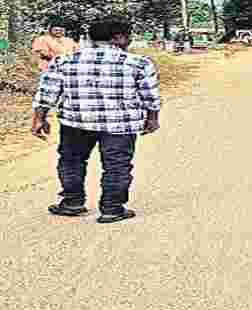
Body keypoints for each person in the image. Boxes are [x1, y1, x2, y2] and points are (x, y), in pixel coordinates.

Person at [31, 18, 161, 223]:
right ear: (119, 38)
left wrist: (39, 119)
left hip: (76, 123)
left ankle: (72, 203)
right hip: (120, 125)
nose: (130, 41)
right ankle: (112, 209)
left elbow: (47, 93)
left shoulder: (64, 60)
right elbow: (150, 97)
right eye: (128, 37)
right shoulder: (139, 63)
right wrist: (152, 119)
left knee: (71, 161)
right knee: (117, 165)